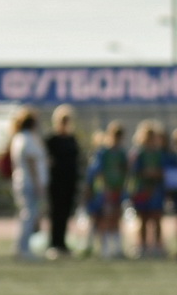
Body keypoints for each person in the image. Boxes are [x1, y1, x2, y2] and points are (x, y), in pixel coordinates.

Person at [7, 108, 48, 260]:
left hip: (24, 182)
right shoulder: (27, 138)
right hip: (29, 183)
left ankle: (22, 246)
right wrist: (38, 184)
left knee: (27, 215)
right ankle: (23, 248)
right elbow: (31, 162)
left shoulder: (20, 138)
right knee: (28, 216)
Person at [85, 123, 128, 259]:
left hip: (117, 189)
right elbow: (97, 173)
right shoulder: (103, 153)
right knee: (103, 217)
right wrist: (104, 189)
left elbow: (125, 171)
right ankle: (103, 248)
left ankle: (117, 247)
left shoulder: (122, 153)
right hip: (104, 191)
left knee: (116, 216)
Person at [127, 121, 171, 258]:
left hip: (156, 190)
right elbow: (134, 171)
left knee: (157, 218)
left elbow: (165, 170)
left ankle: (158, 246)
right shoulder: (138, 153)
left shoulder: (159, 153)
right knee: (143, 219)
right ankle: (142, 246)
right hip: (142, 190)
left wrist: (157, 173)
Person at [44, 105, 82, 258]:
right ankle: (54, 243)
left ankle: (62, 243)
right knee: (56, 213)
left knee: (66, 213)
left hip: (69, 182)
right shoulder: (52, 139)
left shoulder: (72, 139)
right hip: (56, 182)